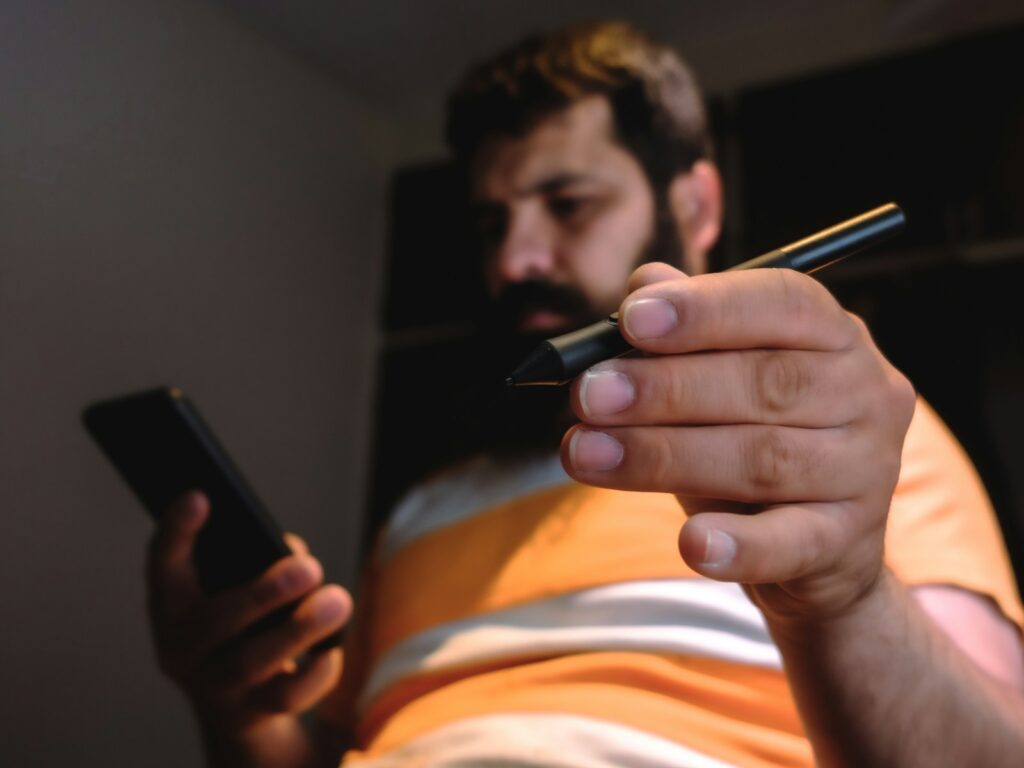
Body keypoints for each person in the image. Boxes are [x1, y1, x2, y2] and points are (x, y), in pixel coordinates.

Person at [145, 21, 1024, 767]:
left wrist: (844, 593)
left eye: (567, 204)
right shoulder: (418, 512)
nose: (512, 261)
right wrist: (235, 707)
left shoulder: (845, 445)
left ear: (697, 203)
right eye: (493, 223)